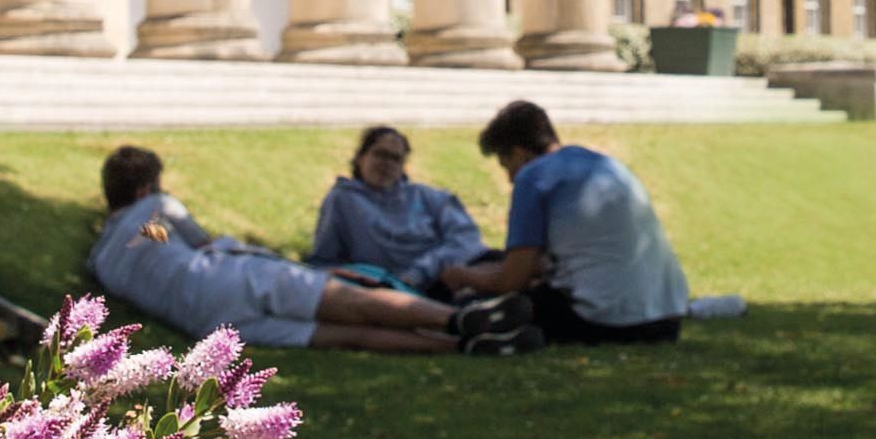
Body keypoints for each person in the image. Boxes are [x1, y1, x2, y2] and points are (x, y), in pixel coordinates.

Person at [88, 148, 539, 355]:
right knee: (350, 303)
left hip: (203, 322)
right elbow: (192, 243)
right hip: (226, 278)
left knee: (345, 335)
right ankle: (454, 320)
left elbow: (139, 259)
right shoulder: (154, 211)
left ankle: (462, 346)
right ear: (147, 186)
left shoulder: (102, 259)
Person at [439, 102, 693, 343]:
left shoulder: (533, 177)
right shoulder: (605, 165)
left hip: (607, 322)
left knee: (478, 311)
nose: (509, 179)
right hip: (667, 320)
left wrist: (464, 276)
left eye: (507, 166)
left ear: (519, 154)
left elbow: (512, 280)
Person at [304, 125, 486, 291]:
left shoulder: (427, 197)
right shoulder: (343, 200)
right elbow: (324, 261)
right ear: (360, 158)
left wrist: (422, 270)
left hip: (441, 278)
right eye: (380, 154)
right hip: (382, 290)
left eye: (395, 159)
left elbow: (467, 239)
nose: (387, 164)